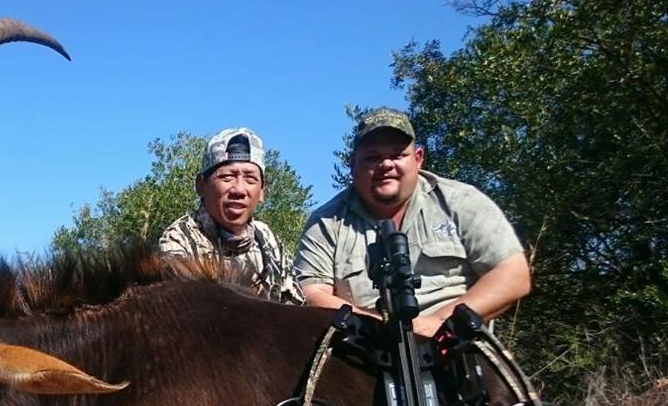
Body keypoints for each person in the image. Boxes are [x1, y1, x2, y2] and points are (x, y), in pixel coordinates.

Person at [293, 107, 531, 336]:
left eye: (398, 154)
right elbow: (312, 293)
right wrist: (378, 327)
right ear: (352, 164)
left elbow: (513, 274)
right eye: (372, 157)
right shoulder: (326, 221)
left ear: (418, 159)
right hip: (360, 347)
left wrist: (438, 322)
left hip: (458, 343)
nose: (386, 165)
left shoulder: (462, 201)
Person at [159, 127, 305, 305]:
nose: (239, 190)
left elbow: (294, 309)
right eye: (227, 177)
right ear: (200, 186)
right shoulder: (178, 242)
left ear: (261, 193)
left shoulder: (268, 239)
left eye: (250, 179)